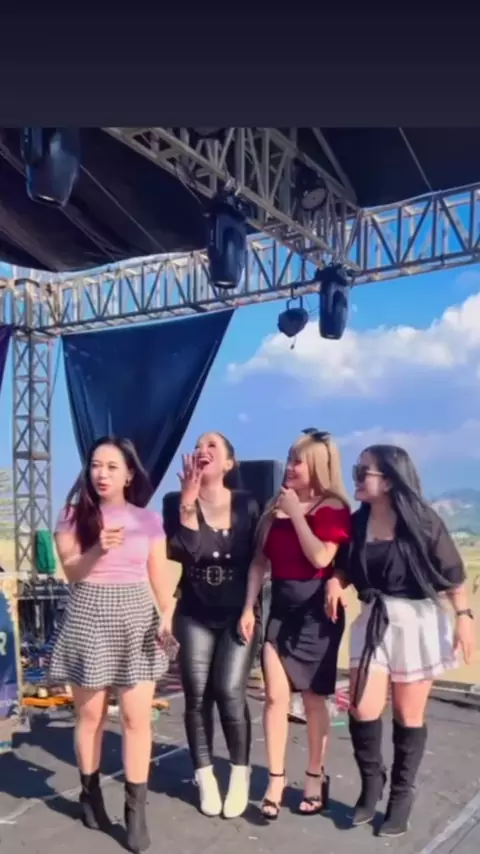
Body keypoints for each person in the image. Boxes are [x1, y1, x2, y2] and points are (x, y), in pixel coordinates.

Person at [326, 444, 476, 838]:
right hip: (373, 620)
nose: (357, 478)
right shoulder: (357, 523)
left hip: (415, 624)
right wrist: (336, 581)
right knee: (362, 707)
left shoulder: (423, 522)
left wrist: (464, 619)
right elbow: (343, 567)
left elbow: (454, 577)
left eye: (364, 472)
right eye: (356, 471)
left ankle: (401, 795)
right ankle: (371, 781)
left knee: (408, 715)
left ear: (390, 480)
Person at [49, 437, 174, 854]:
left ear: (129, 474)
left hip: (136, 616)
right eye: (96, 465)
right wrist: (98, 548)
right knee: (91, 717)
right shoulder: (72, 515)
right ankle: (90, 796)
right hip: (88, 615)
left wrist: (167, 614)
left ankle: (135, 812)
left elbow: (159, 577)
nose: (101, 473)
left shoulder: (148, 520)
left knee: (138, 719)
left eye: (112, 467)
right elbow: (72, 573)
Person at [239, 429, 351, 820]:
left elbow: (321, 557)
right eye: (289, 458)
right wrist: (249, 606)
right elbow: (259, 561)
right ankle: (275, 779)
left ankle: (315, 776)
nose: (289, 467)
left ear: (317, 465)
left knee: (314, 699)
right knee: (274, 697)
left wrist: (298, 515)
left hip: (318, 614)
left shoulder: (333, 508)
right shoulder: (276, 506)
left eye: (297, 461)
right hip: (280, 610)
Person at [162, 432, 261, 820]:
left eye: (212, 446)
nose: (202, 450)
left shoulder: (247, 503)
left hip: (238, 611)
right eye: (198, 446)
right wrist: (188, 503)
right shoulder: (175, 502)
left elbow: (257, 561)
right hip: (194, 612)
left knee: (229, 691)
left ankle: (239, 774)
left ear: (229, 463)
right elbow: (184, 552)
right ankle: (205, 776)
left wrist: (250, 607)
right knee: (197, 695)